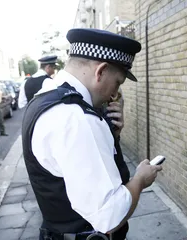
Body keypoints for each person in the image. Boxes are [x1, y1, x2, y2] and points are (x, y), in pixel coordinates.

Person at [22, 28, 162, 240]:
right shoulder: (78, 118)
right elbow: (110, 217)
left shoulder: (45, 97)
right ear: (101, 71)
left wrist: (111, 134)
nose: (115, 94)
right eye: (117, 83)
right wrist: (141, 180)